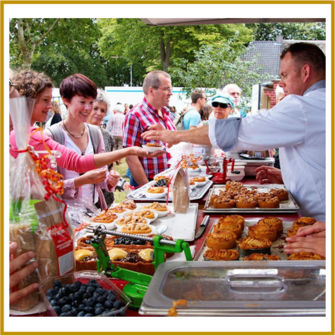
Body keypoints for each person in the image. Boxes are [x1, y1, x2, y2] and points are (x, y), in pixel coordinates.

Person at [142, 42, 326, 223]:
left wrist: (174, 136)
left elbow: (236, 131)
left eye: (285, 75)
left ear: (305, 72)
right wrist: (287, 176)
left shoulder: (302, 106)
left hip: (319, 221)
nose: (281, 84)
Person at [10, 70, 164, 183]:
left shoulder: (94, 133)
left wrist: (108, 180)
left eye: (92, 103)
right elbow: (76, 163)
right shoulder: (35, 135)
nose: (50, 106)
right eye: (45, 100)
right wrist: (130, 150)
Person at [123, 70, 176, 187]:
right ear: (151, 91)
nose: (171, 93)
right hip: (150, 182)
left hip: (170, 180)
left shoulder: (166, 113)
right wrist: (148, 188)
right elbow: (131, 158)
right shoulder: (135, 115)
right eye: (166, 88)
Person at [87, 88, 120, 207]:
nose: (99, 113)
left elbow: (109, 165)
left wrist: (113, 175)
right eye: (95, 108)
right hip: (86, 196)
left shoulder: (107, 135)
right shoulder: (78, 134)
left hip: (106, 197)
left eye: (103, 110)